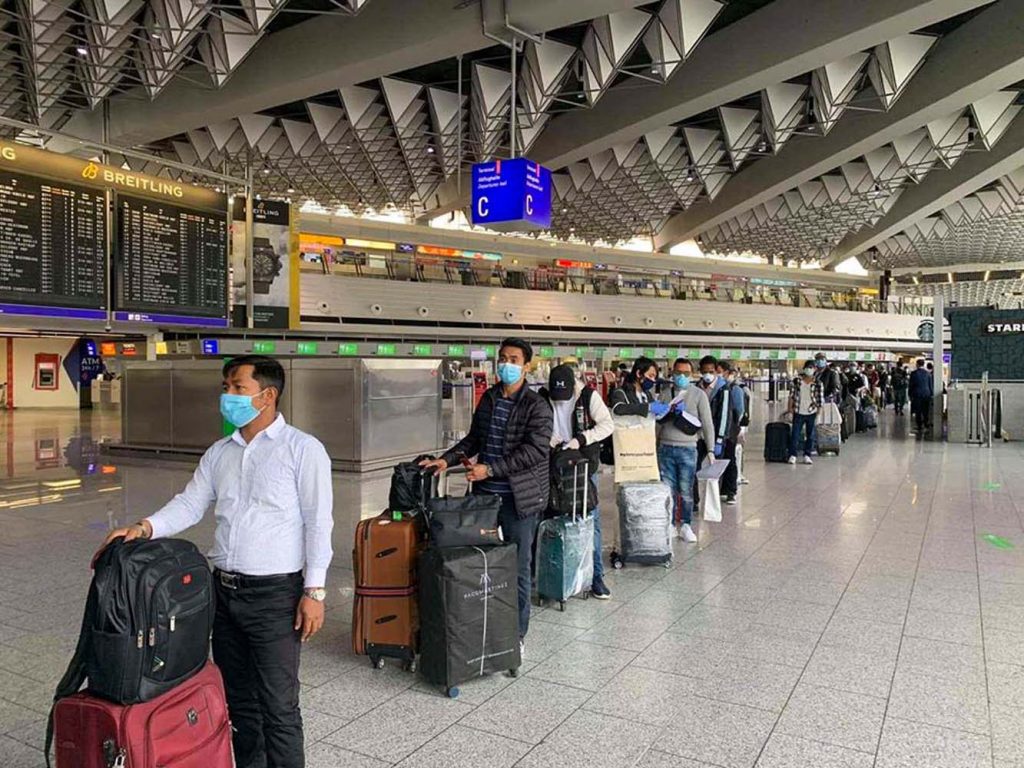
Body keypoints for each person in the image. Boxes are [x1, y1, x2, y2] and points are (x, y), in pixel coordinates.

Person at [101, 356, 334, 768]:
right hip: (223, 594)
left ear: (268, 396)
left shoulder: (303, 449)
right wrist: (144, 527)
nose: (227, 395)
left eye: (237, 387)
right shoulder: (220, 452)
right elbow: (191, 503)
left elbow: (319, 522)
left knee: (279, 706)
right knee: (238, 701)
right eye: (225, 386)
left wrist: (314, 591)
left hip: (275, 596)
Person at [420, 339, 551, 653]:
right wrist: (446, 460)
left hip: (519, 501)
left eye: (514, 359)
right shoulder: (490, 398)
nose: (506, 364)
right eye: (502, 358)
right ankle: (483, 626)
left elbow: (534, 451)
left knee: (517, 568)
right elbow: (474, 439)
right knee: (482, 565)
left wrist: (489, 471)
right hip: (485, 501)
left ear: (527, 365)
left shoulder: (537, 406)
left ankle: (516, 636)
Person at [541, 364, 615, 599]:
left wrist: (582, 438)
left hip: (583, 465)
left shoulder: (588, 396)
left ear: (574, 386)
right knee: (552, 516)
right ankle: (553, 575)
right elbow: (536, 424)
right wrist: (549, 437)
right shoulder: (543, 397)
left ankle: (596, 578)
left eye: (565, 395)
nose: (560, 401)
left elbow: (607, 424)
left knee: (589, 520)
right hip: (554, 465)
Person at [657, 358, 715, 542]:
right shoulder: (665, 394)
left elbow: (707, 423)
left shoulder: (698, 395)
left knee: (686, 489)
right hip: (666, 447)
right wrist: (653, 444)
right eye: (678, 373)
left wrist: (711, 449)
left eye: (686, 373)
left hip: (688, 449)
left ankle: (686, 524)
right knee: (668, 489)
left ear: (691, 375)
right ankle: (671, 524)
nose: (681, 376)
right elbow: (657, 421)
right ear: (672, 373)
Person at [699, 357, 743, 505]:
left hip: (725, 433)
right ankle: (704, 494)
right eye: (704, 371)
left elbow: (725, 414)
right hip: (703, 432)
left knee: (727, 460)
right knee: (702, 462)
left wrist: (719, 439)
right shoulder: (698, 387)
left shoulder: (724, 388)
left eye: (711, 371)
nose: (708, 374)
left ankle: (730, 491)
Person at [788, 360, 823, 465]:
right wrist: (790, 409)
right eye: (808, 367)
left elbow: (820, 400)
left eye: (812, 368)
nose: (809, 370)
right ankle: (792, 455)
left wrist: (819, 413)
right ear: (804, 369)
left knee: (810, 435)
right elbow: (792, 396)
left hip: (811, 412)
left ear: (815, 369)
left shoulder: (818, 383)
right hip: (798, 411)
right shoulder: (797, 381)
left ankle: (807, 455)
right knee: (795, 434)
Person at [909, 359, 934, 434]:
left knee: (918, 411)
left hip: (917, 394)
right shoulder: (928, 374)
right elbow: (930, 385)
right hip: (927, 394)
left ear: (917, 364)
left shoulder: (914, 374)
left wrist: (910, 394)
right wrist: (931, 394)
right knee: (925, 411)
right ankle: (926, 425)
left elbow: (911, 385)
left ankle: (920, 426)